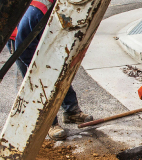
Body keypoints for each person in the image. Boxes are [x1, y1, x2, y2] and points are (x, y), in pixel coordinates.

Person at [15, 0, 93, 141]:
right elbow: (23, 46)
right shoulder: (37, 11)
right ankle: (49, 124)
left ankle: (71, 112)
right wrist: (39, 70)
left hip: (45, 39)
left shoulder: (62, 5)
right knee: (40, 83)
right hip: (23, 45)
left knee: (60, 74)